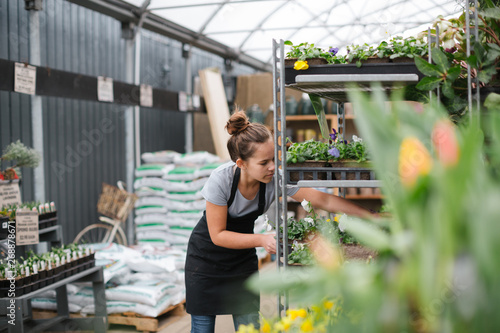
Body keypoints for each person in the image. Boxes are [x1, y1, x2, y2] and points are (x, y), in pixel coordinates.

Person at [185, 109, 374, 333]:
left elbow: (323, 199)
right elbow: (218, 235)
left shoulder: (275, 179)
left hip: (241, 261)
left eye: (275, 158)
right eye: (264, 162)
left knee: (249, 325)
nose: (273, 167)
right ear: (241, 163)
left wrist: (370, 216)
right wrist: (262, 239)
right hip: (205, 261)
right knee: (203, 328)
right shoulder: (221, 180)